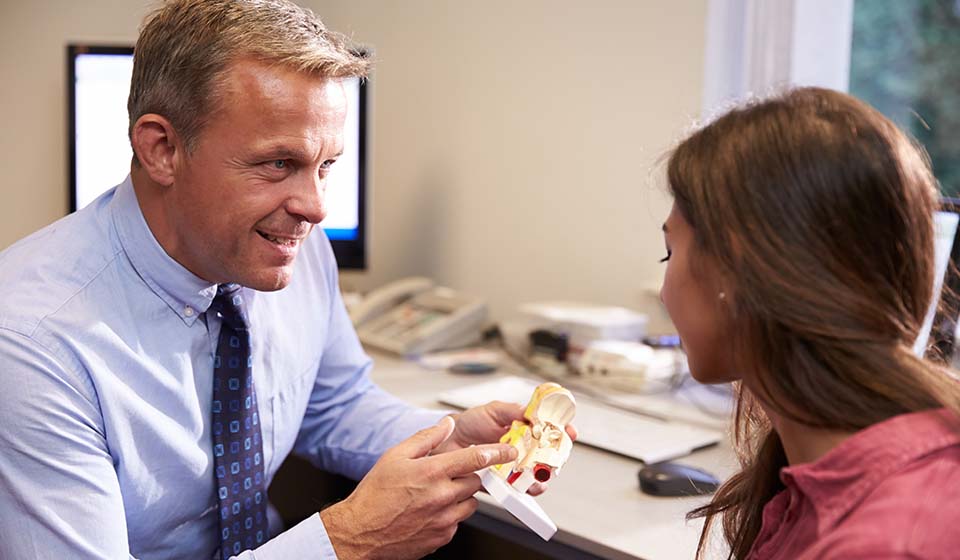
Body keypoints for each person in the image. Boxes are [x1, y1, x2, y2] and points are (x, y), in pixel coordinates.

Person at [0, 1, 561, 558]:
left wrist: (448, 440)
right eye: (278, 164)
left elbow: (334, 405)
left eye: (326, 166)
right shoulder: (30, 341)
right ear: (162, 150)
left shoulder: (288, 246)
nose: (315, 208)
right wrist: (347, 539)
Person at [659, 86, 960, 559]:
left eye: (669, 251)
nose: (664, 292)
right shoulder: (824, 471)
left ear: (733, 268)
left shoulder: (881, 543)